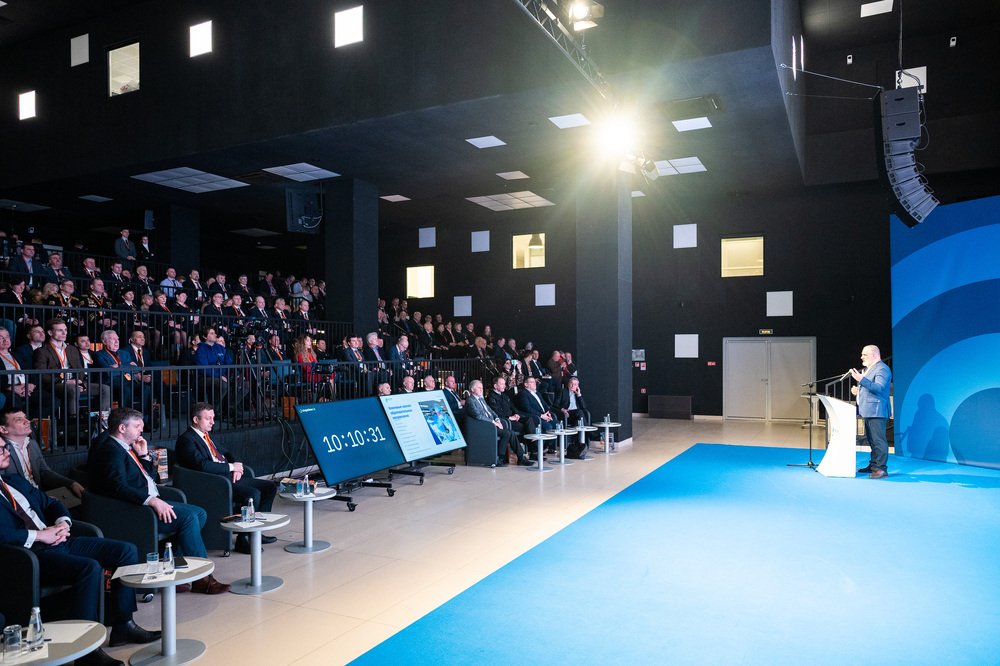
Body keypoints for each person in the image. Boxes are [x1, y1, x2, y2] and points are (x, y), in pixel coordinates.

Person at [0, 442, 161, 666]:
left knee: (126, 551)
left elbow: (51, 503)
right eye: (1, 449)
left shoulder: (13, 481)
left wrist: (63, 523)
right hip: (29, 555)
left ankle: (124, 625)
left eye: (5, 447)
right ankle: (87, 651)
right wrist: (40, 536)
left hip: (58, 540)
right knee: (89, 568)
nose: (7, 451)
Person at [87, 407, 230, 593]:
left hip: (146, 502)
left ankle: (173, 569)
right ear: (122, 428)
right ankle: (203, 579)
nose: (141, 430)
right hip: (133, 510)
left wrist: (144, 455)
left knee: (199, 513)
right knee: (188, 518)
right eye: (137, 426)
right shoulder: (111, 451)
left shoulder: (125, 447)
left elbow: (146, 478)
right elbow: (118, 487)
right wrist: (151, 501)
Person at [174, 402, 277, 554]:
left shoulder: (206, 436)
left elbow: (226, 452)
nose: (213, 422)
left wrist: (237, 466)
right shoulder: (187, 440)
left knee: (269, 487)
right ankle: (243, 539)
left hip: (227, 477)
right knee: (252, 494)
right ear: (196, 419)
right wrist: (231, 467)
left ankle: (256, 531)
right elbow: (202, 465)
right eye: (208, 418)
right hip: (215, 482)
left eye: (213, 418)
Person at [0, 408, 84, 497]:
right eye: (19, 420)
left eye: (25, 417)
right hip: (21, 501)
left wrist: (71, 484)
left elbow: (44, 473)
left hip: (40, 495)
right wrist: (39, 500)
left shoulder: (32, 444)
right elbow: (4, 489)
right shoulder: (2, 452)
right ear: (3, 429)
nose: (27, 421)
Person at [851, 345, 892, 479]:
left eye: (865, 355)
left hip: (877, 410)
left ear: (874, 355)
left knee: (878, 441)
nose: (862, 357)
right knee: (872, 440)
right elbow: (869, 387)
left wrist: (862, 380)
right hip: (869, 410)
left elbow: (879, 387)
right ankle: (874, 465)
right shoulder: (870, 368)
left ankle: (881, 469)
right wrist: (858, 390)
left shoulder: (882, 369)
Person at [464, 379, 526, 466]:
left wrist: (497, 419)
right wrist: (493, 422)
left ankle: (519, 457)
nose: (481, 389)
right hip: (482, 427)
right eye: (479, 388)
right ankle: (501, 458)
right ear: (472, 389)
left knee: (509, 432)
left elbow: (491, 411)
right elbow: (478, 416)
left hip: (490, 425)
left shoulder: (481, 399)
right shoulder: (470, 401)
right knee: (508, 433)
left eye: (482, 388)